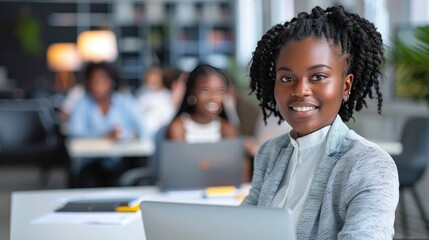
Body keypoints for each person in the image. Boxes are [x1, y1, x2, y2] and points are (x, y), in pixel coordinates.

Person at [241, 5, 399, 239]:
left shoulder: (369, 164)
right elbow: (242, 226)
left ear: (346, 86)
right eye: (286, 78)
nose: (300, 90)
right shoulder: (270, 153)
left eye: (318, 77)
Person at [69, 61, 149, 187]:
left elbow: (143, 129)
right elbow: (75, 134)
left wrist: (126, 136)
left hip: (120, 161)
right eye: (93, 80)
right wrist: (103, 135)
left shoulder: (124, 101)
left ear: (111, 81)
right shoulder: (82, 104)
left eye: (101, 79)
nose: (96, 84)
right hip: (91, 163)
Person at [166, 64, 238, 142]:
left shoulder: (228, 129)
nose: (213, 96)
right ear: (192, 91)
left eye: (220, 91)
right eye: (205, 90)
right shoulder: (177, 127)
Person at [135, 66, 175, 140]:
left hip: (159, 138)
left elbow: (167, 119)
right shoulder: (141, 93)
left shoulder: (166, 96)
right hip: (142, 138)